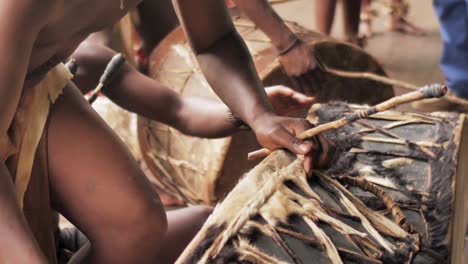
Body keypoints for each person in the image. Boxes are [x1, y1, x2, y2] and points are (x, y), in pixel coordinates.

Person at [0, 0, 329, 263]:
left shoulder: (81, 63)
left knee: (137, 224)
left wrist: (258, 115)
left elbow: (213, 41)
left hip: (36, 82)